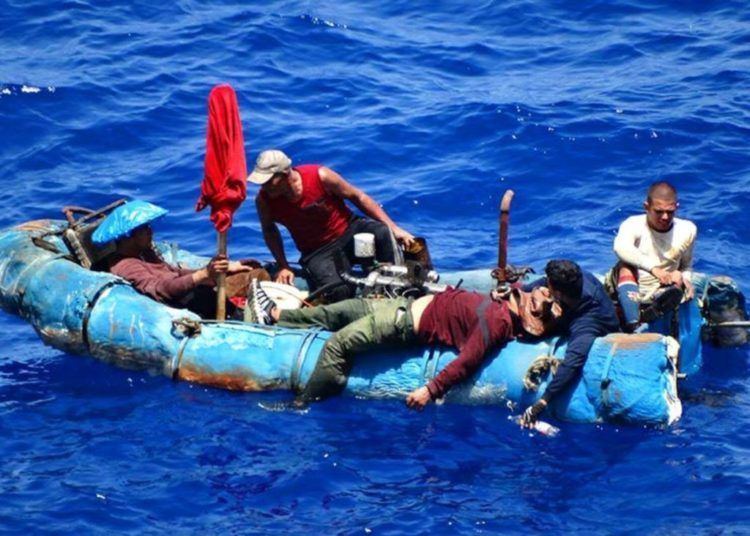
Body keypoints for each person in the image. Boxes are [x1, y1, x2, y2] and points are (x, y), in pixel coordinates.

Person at [246, 279, 562, 408]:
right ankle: (275, 316)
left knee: (338, 345)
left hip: (403, 323)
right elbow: (515, 288)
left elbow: (468, 361)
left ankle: (300, 404)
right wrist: (506, 293)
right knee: (338, 311)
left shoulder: (496, 324)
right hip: (400, 305)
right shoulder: (505, 301)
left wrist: (430, 390)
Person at [249, 149, 416, 303]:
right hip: (318, 252)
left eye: (269, 181)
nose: (264, 186)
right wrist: (283, 265)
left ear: (285, 174)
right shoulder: (264, 201)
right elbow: (269, 230)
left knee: (382, 232)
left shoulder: (320, 176)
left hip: (350, 230)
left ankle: (400, 292)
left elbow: (358, 197)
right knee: (339, 291)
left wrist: (394, 228)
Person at [92, 200, 269, 319]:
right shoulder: (126, 265)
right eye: (144, 229)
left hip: (192, 291)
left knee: (253, 272)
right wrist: (202, 275)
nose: (151, 231)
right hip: (183, 304)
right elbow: (161, 290)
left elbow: (174, 272)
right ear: (128, 236)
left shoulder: (145, 253)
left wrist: (216, 270)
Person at [520, 260, 620, 428]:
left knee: (530, 333)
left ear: (557, 293)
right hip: (569, 310)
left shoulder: (588, 321)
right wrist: (520, 292)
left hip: (590, 323)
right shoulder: (577, 280)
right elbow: (546, 282)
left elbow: (573, 362)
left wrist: (543, 401)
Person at [608, 182, 697, 331]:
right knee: (625, 267)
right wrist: (653, 269)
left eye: (670, 212)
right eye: (658, 211)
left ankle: (655, 312)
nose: (664, 217)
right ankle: (633, 324)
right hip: (631, 285)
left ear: (676, 207)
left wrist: (685, 278)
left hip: (663, 289)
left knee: (678, 278)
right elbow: (620, 248)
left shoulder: (688, 229)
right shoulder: (633, 224)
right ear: (646, 207)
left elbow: (686, 265)